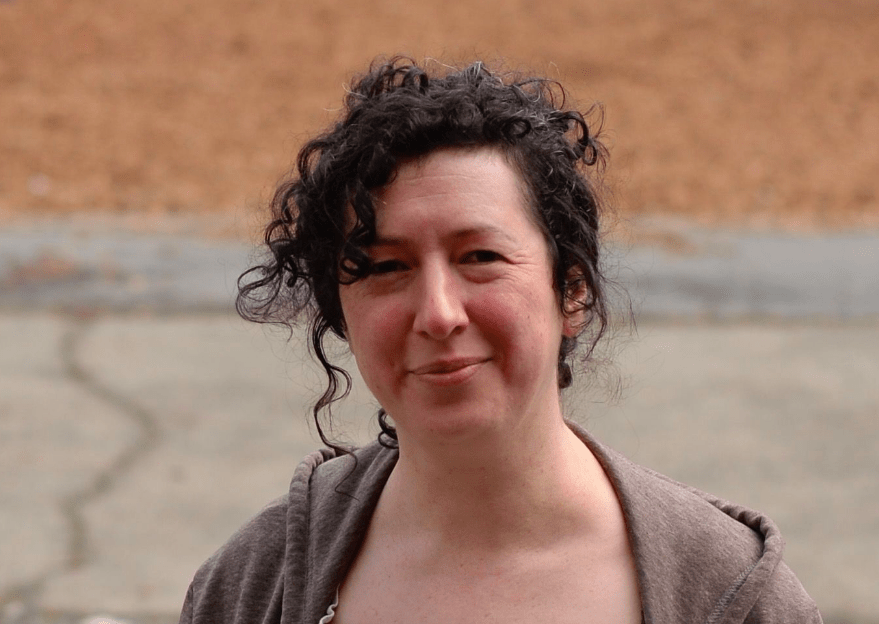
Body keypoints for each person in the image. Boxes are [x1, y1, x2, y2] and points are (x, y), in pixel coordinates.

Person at [178, 57, 822, 623]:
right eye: (385, 266)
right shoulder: (253, 586)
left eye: (479, 255)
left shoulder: (729, 595)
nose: (437, 313)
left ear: (571, 290)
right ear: (339, 312)